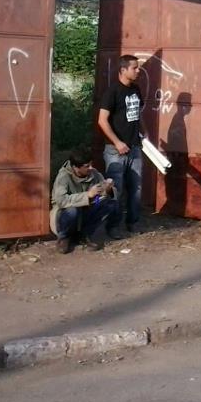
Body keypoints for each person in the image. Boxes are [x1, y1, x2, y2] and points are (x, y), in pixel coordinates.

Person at [97, 54, 144, 234]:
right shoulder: (112, 92)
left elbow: (137, 113)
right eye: (134, 68)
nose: (138, 70)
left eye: (137, 67)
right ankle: (113, 226)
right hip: (115, 150)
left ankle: (132, 223)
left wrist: (144, 132)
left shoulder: (136, 89)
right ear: (123, 70)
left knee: (136, 189)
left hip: (135, 147)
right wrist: (117, 142)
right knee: (116, 190)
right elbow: (102, 120)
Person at [50, 150, 121, 254]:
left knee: (109, 205)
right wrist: (87, 195)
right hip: (64, 213)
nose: (91, 168)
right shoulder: (63, 177)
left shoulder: (94, 174)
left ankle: (84, 235)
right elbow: (61, 201)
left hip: (88, 208)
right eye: (87, 166)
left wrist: (108, 189)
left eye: (91, 164)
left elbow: (100, 195)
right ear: (76, 168)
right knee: (72, 211)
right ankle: (64, 238)